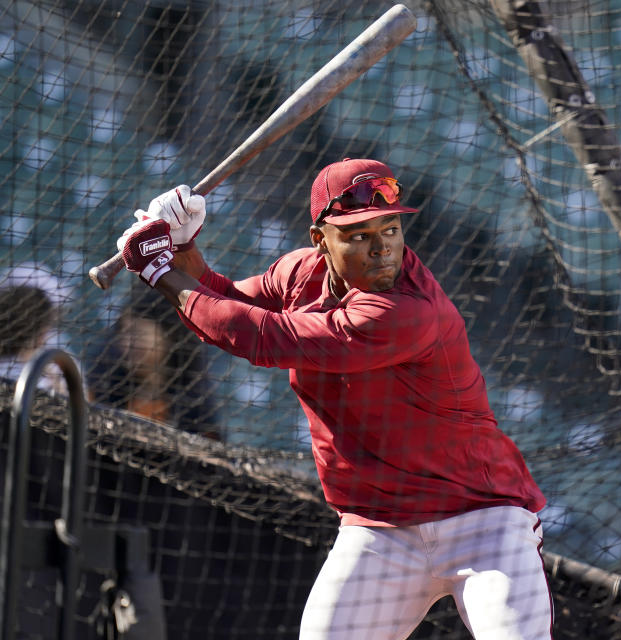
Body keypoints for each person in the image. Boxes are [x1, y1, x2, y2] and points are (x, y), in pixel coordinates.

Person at [113, 158, 553, 639]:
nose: (382, 248)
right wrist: (181, 250)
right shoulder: (299, 273)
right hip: (380, 528)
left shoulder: (407, 310)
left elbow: (260, 338)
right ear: (320, 241)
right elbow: (223, 305)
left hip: (482, 522)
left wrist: (159, 268)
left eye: (390, 228)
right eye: (358, 235)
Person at [86, 288, 221, 440]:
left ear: (168, 335)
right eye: (124, 333)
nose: (128, 343)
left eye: (137, 334)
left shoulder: (195, 406)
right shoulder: (107, 388)